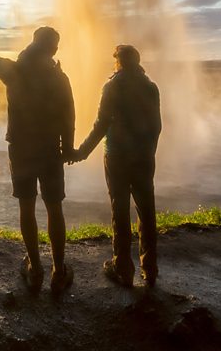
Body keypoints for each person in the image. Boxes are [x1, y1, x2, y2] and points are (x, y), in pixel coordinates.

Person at [0, 27, 76, 293]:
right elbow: (69, 114)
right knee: (54, 208)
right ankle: (59, 271)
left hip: (21, 148)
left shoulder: (16, 70)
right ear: (53, 48)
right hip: (50, 149)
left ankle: (35, 269)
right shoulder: (59, 77)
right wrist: (68, 148)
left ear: (33, 43)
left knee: (26, 206)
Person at [69, 44, 161, 288]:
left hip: (117, 156)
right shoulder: (151, 87)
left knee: (119, 208)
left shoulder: (112, 86)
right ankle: (150, 268)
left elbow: (101, 124)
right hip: (144, 158)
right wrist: (149, 151)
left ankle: (122, 268)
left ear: (119, 62)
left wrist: (82, 152)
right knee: (146, 210)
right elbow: (156, 126)